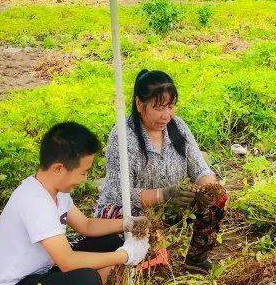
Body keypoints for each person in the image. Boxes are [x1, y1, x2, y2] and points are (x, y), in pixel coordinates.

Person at [0, 122, 149, 285]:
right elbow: (67, 262)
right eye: (83, 172)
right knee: (86, 283)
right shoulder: (34, 201)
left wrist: (126, 224)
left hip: (39, 274)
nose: (85, 179)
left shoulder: (57, 192)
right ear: (58, 168)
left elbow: (86, 225)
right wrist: (125, 256)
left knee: (106, 241)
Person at [95, 70, 227, 274]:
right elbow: (117, 193)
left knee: (216, 197)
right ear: (140, 105)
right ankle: (136, 263)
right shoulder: (123, 136)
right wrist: (162, 195)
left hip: (169, 206)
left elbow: (200, 169)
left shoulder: (178, 127)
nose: (166, 115)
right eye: (158, 108)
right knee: (143, 227)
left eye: (170, 106)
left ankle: (197, 259)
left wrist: (209, 187)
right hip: (127, 211)